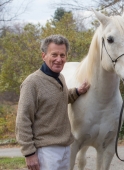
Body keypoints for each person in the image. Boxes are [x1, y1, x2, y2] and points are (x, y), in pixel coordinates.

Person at [16, 34, 90, 170]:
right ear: (43, 56)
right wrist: (29, 153)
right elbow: (23, 120)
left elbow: (60, 98)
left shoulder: (60, 77)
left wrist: (78, 91)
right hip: (46, 151)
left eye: (62, 55)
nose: (59, 59)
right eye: (54, 54)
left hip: (66, 147)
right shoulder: (32, 83)